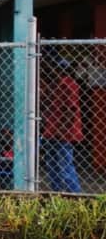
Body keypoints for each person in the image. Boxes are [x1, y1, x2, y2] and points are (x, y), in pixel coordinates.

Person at [41, 56, 82, 193]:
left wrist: (62, 129)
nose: (52, 71)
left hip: (63, 133)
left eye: (56, 69)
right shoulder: (54, 85)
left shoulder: (69, 84)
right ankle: (56, 193)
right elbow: (47, 104)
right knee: (52, 167)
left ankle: (75, 195)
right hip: (52, 131)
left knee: (65, 167)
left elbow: (71, 109)